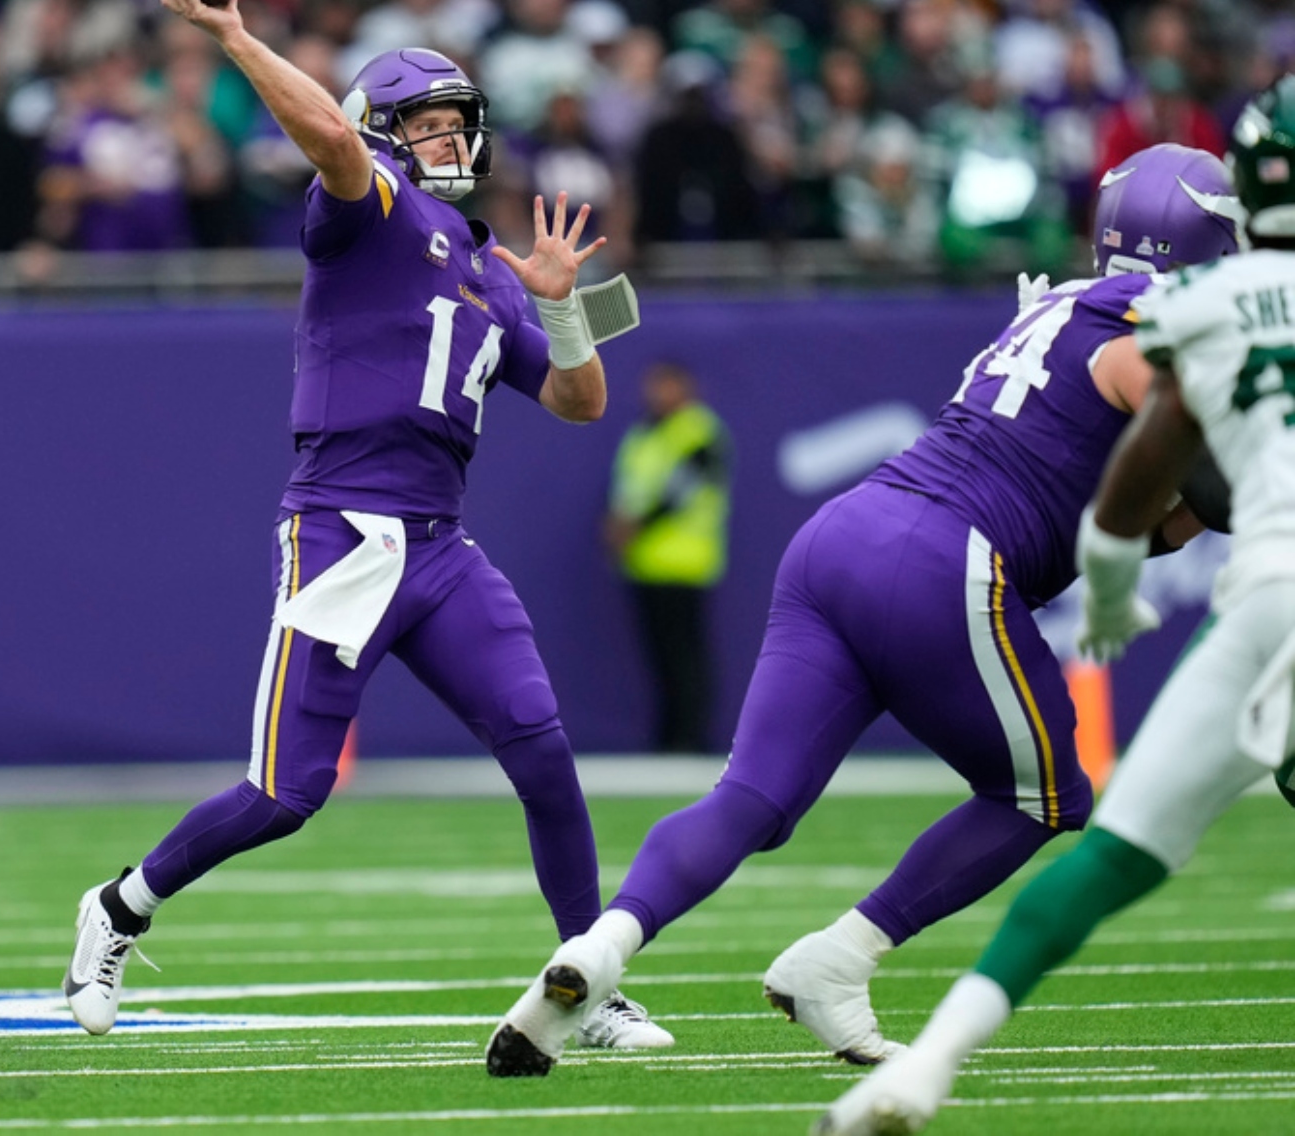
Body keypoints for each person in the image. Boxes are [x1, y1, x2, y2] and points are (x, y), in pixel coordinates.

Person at [485, 141, 1246, 1078]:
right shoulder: (1151, 328)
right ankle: (839, 958)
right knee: (1047, 796)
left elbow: (1153, 503)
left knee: (751, 798)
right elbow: (1206, 468)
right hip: (946, 559)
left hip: (844, 538)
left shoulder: (1050, 306)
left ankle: (599, 949)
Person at [62, 0, 670, 1053]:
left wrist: (564, 309)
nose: (445, 140)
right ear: (382, 131)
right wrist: (235, 36)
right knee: (286, 795)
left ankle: (588, 983)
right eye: (423, 125)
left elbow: (581, 403)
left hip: (441, 548)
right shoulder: (370, 212)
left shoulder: (488, 266)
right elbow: (336, 151)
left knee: (541, 749)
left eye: (454, 124)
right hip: (344, 531)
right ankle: (117, 907)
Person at [813, 77, 1295, 1135]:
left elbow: (1156, 479)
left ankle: (919, 1071)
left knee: (1112, 843)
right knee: (1062, 798)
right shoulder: (1178, 308)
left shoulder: (1189, 308)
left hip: (1265, 595)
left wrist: (1115, 585)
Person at [606, 361, 731, 752]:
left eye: (666, 385)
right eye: (653, 386)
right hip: (644, 563)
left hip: (685, 562)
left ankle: (690, 739)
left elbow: (684, 490)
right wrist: (619, 524)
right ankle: (667, 739)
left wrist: (636, 525)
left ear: (686, 388)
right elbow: (630, 489)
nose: (658, 394)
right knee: (659, 657)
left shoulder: (700, 432)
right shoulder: (643, 434)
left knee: (685, 655)